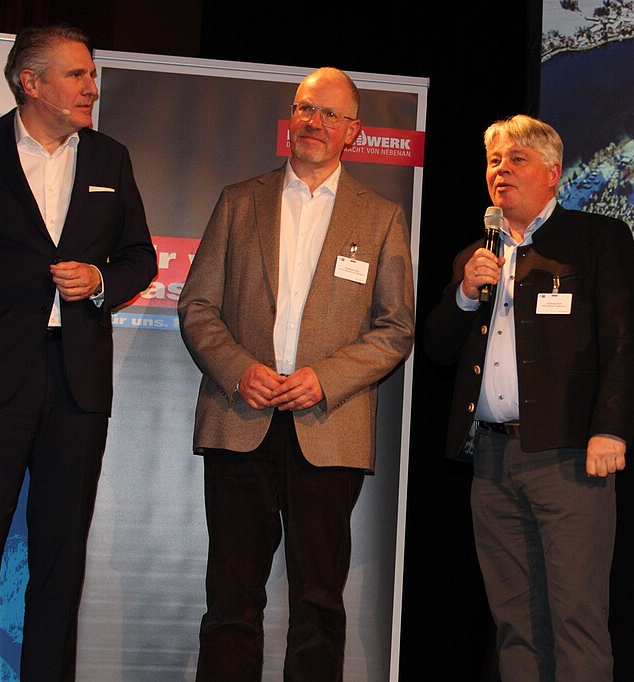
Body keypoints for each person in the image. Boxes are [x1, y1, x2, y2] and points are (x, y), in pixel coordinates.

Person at [0, 24, 157, 682]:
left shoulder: (110, 158)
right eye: (76, 74)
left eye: (92, 75)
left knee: (60, 561)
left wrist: (100, 281)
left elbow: (140, 256)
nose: (92, 87)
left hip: (76, 383)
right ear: (30, 83)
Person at [178, 66, 414, 681]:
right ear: (291, 117)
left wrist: (325, 378)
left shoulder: (381, 217)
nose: (314, 122)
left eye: (330, 114)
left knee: (318, 605)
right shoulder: (239, 201)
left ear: (353, 131)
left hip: (327, 428)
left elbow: (396, 328)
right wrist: (238, 370)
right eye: (306, 109)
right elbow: (197, 305)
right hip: (240, 421)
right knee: (230, 604)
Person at [424, 115, 634, 681]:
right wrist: (464, 292)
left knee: (575, 620)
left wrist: (611, 429)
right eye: (494, 161)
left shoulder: (596, 240)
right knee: (515, 624)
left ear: (552, 173)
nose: (501, 170)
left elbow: (627, 343)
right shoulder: (476, 256)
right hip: (491, 459)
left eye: (516, 159)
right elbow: (437, 348)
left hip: (568, 457)